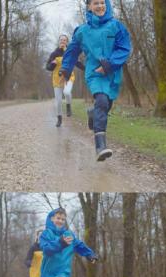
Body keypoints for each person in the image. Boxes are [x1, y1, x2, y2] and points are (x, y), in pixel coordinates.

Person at [59, 0, 132, 161]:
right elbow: (72, 51)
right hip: (94, 73)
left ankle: (93, 113)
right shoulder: (83, 31)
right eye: (95, 3)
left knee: (106, 105)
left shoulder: (116, 26)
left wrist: (110, 64)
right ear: (89, 7)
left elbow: (124, 48)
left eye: (102, 2)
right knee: (101, 101)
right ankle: (100, 145)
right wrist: (65, 68)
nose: (99, 6)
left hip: (112, 73)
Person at [45, 35, 85, 128]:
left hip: (68, 77)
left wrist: (87, 69)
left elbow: (78, 63)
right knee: (58, 101)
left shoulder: (70, 52)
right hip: (57, 79)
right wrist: (52, 64)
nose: (63, 41)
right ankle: (59, 118)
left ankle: (68, 106)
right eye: (61, 40)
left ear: (67, 42)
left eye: (64, 40)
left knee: (67, 92)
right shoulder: (54, 54)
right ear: (59, 42)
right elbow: (48, 67)